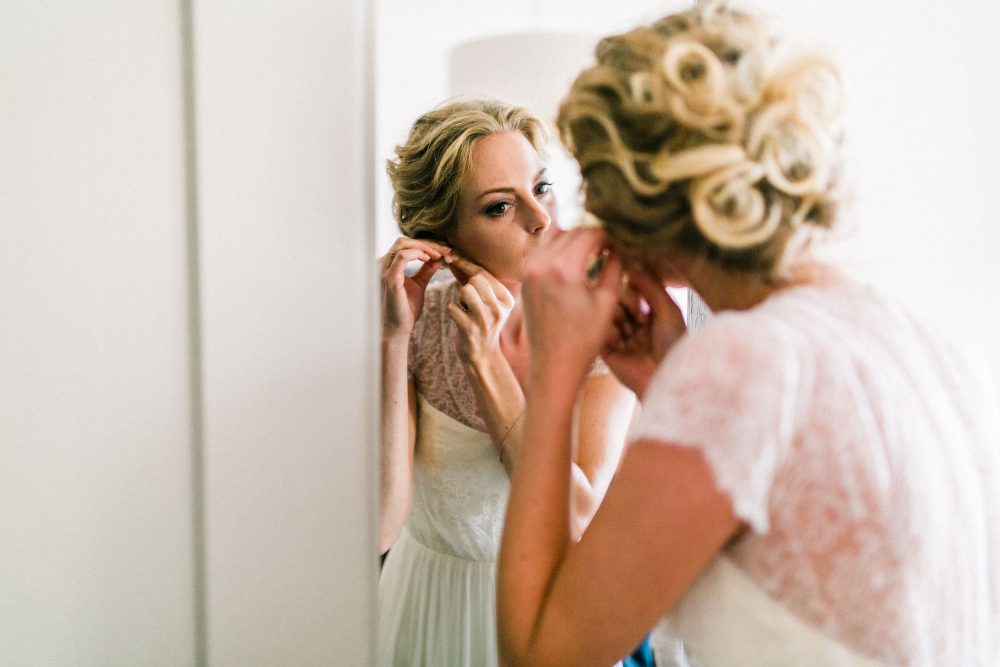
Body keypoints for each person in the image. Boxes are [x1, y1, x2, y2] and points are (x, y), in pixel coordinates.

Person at [497, 3, 1000, 666]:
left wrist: (552, 377)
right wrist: (666, 381)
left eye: (593, 182)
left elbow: (539, 654)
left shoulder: (744, 363)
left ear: (638, 198)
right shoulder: (918, 336)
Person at [377, 99, 635, 666]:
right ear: (443, 236)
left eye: (541, 187)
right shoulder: (418, 322)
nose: (541, 219)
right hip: (426, 607)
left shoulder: (607, 324)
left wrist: (486, 361)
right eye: (499, 208)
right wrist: (393, 341)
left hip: (550, 616)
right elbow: (380, 524)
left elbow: (577, 516)